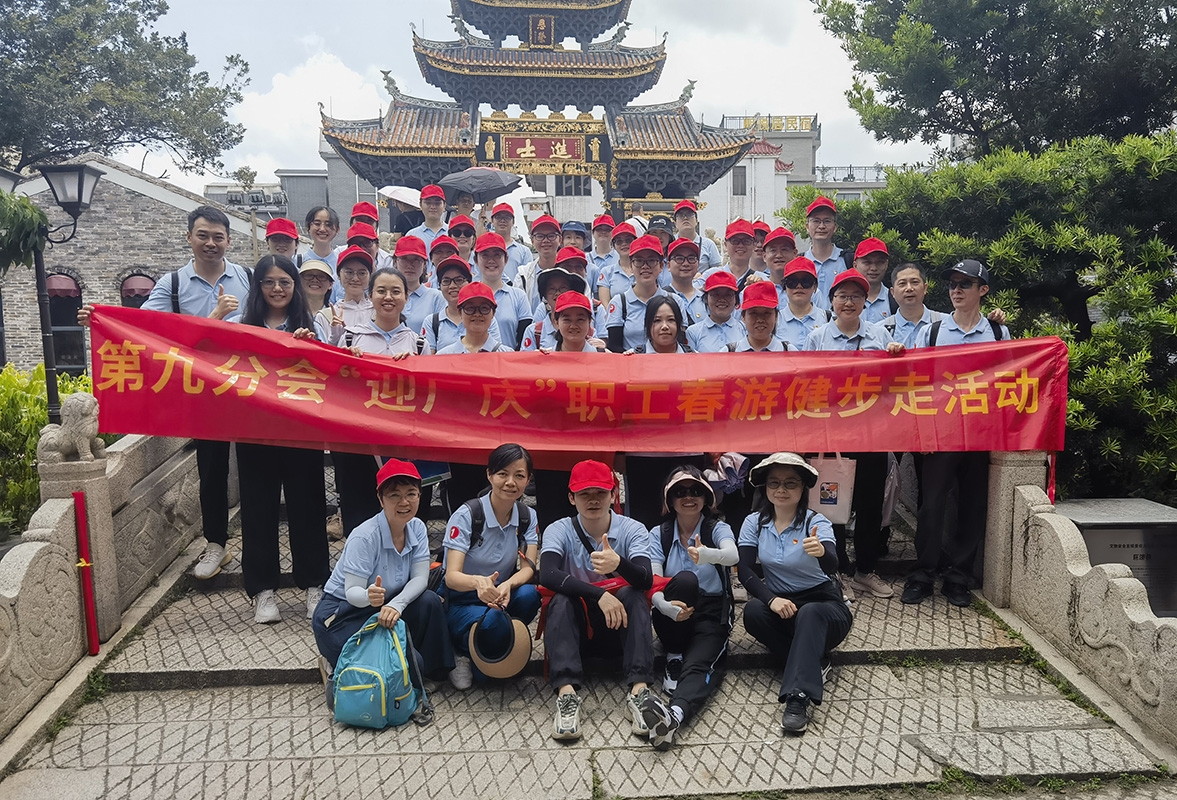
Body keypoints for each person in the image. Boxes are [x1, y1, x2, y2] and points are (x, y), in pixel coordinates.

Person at [78, 206, 250, 582]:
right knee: (212, 470)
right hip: (204, 393)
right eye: (203, 235)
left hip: (251, 390)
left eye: (218, 236)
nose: (211, 243)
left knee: (256, 468)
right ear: (189, 237)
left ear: (228, 240)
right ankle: (216, 544)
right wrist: (101, 319)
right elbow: (143, 328)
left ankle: (257, 544)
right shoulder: (173, 284)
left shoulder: (248, 278)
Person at [903, 259, 1011, 607]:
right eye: (952, 284)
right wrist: (923, 432)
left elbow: (1008, 381)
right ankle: (922, 574)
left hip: (980, 434)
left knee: (972, 506)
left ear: (983, 290)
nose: (957, 290)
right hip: (941, 433)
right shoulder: (933, 332)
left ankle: (958, 577)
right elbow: (918, 384)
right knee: (932, 505)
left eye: (965, 284)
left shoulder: (998, 333)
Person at [234, 255, 330, 624]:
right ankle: (262, 590)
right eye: (269, 282)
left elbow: (331, 372)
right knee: (258, 509)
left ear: (295, 287)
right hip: (255, 431)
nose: (277, 289)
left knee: (308, 507)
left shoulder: (312, 325)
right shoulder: (240, 328)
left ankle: (314, 584)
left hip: (301, 432)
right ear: (258, 287)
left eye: (285, 282)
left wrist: (310, 347)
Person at [803, 269, 904, 602]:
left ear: (865, 302)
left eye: (856, 296)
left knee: (870, 505)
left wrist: (895, 355)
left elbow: (895, 382)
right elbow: (804, 384)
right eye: (843, 296)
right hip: (830, 438)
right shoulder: (817, 338)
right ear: (832, 300)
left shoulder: (879, 336)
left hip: (871, 436)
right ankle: (837, 571)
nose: (849, 302)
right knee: (831, 506)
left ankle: (865, 571)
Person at [312, 459, 454, 691]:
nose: (404, 502)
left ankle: (433, 672)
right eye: (394, 495)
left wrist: (397, 604)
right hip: (343, 613)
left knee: (429, 601)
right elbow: (352, 592)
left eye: (411, 494)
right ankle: (334, 664)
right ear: (380, 499)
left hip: (386, 605)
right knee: (406, 666)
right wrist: (368, 596)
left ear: (420, 495)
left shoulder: (417, 527)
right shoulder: (364, 536)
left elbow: (420, 578)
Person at [738, 453, 853, 734]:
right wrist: (771, 599)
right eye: (774, 483)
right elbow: (745, 571)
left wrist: (822, 552)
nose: (781, 489)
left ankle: (798, 697)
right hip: (783, 605)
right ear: (765, 487)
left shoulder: (817, 522)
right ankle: (813, 661)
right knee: (753, 612)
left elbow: (832, 565)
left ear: (803, 488)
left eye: (791, 483)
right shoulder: (754, 522)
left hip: (824, 606)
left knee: (811, 613)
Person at [539, 460, 655, 741]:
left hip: (620, 629)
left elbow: (646, 579)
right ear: (571, 498)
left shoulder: (633, 529)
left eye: (600, 493)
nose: (593, 500)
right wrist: (599, 594)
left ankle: (640, 691)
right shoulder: (558, 529)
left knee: (632, 594)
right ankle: (566, 694)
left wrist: (619, 563)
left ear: (614, 495)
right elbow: (547, 574)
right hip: (577, 633)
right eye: (584, 494)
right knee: (561, 600)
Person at [640, 467, 738, 750]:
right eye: (679, 492)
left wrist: (707, 554)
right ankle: (674, 654)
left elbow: (732, 555)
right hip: (672, 609)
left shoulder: (716, 528)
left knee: (700, 665)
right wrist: (663, 606)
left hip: (712, 611)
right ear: (669, 500)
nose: (688, 497)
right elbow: (654, 580)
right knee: (684, 580)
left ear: (706, 497)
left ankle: (673, 716)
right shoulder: (659, 533)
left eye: (695, 491)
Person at [442, 444, 542, 689]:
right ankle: (462, 650)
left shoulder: (527, 516)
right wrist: (478, 582)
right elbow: (451, 577)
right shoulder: (467, 515)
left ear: (528, 479)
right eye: (502, 474)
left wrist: (508, 584)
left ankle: (495, 643)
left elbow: (528, 568)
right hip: (462, 598)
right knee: (487, 668)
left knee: (529, 595)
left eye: (519, 475)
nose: (510, 482)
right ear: (489, 474)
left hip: (499, 595)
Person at [422, 256, 500, 353]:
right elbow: (428, 359)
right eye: (446, 281)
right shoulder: (432, 322)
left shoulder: (486, 319)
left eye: (459, 280)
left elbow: (495, 352)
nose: (452, 286)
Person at [606, 234, 668, 352]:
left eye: (651, 261)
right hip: (630, 362)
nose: (645, 266)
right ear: (631, 266)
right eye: (639, 261)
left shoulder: (674, 301)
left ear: (661, 266)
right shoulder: (619, 303)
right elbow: (614, 347)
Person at [472, 231, 532, 349]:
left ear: (506, 259)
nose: (491, 260)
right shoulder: (469, 295)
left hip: (509, 359)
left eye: (497, 255)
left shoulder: (519, 296)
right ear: (476, 260)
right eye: (485, 255)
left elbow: (523, 339)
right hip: (474, 359)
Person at [434, 282, 511, 355]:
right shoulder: (444, 356)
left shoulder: (507, 355)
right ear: (460, 312)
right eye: (470, 308)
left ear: (493, 313)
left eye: (484, 308)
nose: (477, 314)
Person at [321, 246, 374, 348]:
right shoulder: (326, 316)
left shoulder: (378, 313)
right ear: (339, 275)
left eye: (362, 273)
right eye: (349, 272)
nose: (355, 278)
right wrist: (334, 338)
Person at [391, 235, 444, 335]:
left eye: (416, 260)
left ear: (424, 264)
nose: (410, 265)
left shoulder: (436, 297)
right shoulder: (387, 296)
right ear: (395, 262)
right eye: (404, 259)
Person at [776, 257, 831, 351]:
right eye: (792, 282)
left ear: (815, 286)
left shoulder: (828, 319)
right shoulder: (775, 321)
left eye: (806, 282)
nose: (799, 286)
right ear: (785, 286)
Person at [697, 220, 767, 290]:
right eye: (735, 241)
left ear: (753, 245)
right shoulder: (710, 275)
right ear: (725, 245)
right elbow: (693, 292)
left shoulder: (763, 280)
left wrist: (763, 288)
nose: (740, 245)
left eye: (746, 241)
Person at [686, 272, 744, 353]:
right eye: (716, 295)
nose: (722, 300)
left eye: (728, 295)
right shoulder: (693, 332)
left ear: (736, 299)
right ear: (706, 299)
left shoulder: (745, 330)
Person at [802, 197, 845, 300]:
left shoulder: (847, 260)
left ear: (835, 227)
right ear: (807, 227)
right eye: (816, 221)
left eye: (827, 221)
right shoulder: (800, 262)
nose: (821, 226)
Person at [517, 214, 562, 306]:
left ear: (560, 240)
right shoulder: (523, 276)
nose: (546, 240)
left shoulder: (570, 272)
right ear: (532, 241)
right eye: (540, 236)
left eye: (551, 236)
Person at [664, 238, 707, 326]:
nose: (686, 263)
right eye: (679, 259)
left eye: (691, 258)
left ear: (698, 265)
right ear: (668, 265)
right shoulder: (661, 297)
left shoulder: (707, 299)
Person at [673, 200, 722, 271]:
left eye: (690, 214)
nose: (685, 218)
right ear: (675, 224)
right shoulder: (670, 243)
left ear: (696, 221)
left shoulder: (708, 244)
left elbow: (717, 269)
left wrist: (703, 276)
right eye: (680, 215)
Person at [487, 203, 531, 283]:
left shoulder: (524, 251)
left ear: (513, 221)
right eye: (498, 217)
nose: (502, 220)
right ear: (492, 221)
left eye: (507, 217)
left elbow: (528, 279)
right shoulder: (484, 249)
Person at [597, 222, 637, 306]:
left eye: (628, 240)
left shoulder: (645, 269)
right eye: (619, 241)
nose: (624, 244)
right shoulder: (607, 272)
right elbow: (606, 305)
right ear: (614, 246)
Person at [854, 238, 893, 323]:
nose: (873, 268)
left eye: (879, 262)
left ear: (886, 265)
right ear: (855, 265)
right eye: (867, 262)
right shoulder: (844, 300)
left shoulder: (895, 300)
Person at [298, 259, 336, 342]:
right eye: (308, 275)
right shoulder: (290, 314)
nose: (314, 280)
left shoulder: (335, 316)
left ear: (331, 284)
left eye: (321, 277)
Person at [407, 185, 448, 251]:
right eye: (428, 203)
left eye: (437, 203)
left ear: (444, 206)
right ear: (420, 204)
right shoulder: (411, 236)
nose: (433, 207)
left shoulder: (454, 233)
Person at [303, 206, 340, 275]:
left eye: (328, 225)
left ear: (337, 229)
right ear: (309, 227)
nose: (322, 229)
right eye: (317, 224)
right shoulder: (298, 262)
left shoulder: (342, 264)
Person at [588, 214, 619, 291]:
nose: (603, 232)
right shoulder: (586, 258)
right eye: (599, 229)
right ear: (593, 233)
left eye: (607, 230)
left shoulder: (620, 258)